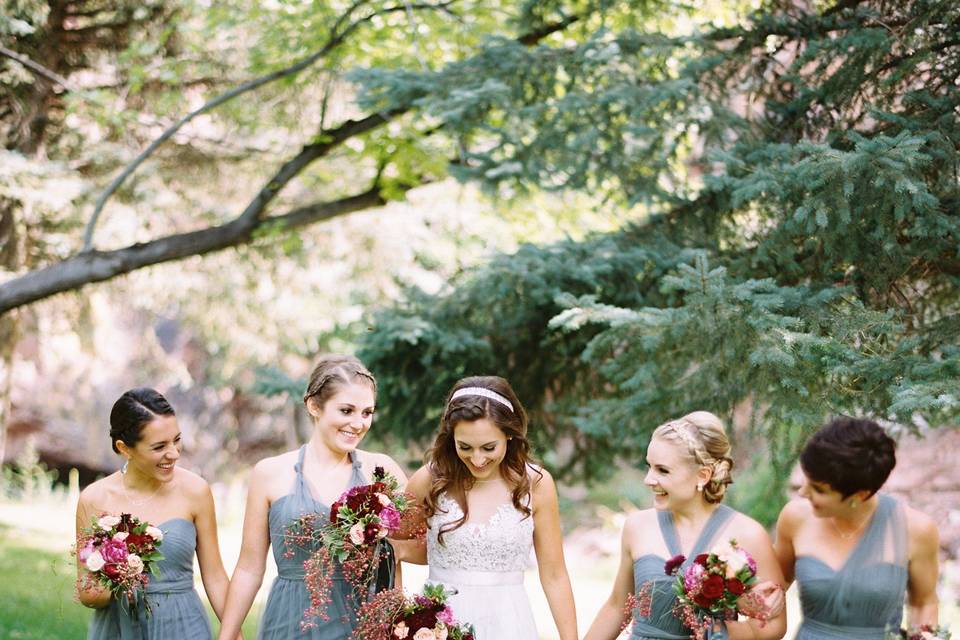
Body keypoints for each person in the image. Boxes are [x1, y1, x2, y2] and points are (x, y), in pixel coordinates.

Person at [217, 354, 407, 640]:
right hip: (291, 622)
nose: (358, 423)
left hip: (362, 623)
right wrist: (227, 634)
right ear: (314, 405)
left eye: (367, 412)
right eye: (346, 410)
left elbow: (415, 547)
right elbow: (249, 567)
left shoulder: (381, 471)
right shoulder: (269, 473)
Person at [585, 411, 787, 640]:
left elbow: (775, 626)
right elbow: (617, 607)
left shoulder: (748, 534)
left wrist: (719, 631)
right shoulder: (637, 527)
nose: (648, 479)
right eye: (649, 466)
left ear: (702, 475)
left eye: (662, 470)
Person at [404, 375, 578, 640]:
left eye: (488, 447)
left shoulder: (536, 484)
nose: (477, 459)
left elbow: (554, 574)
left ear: (509, 434)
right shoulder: (429, 480)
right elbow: (404, 547)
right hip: (440, 623)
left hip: (508, 622)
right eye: (465, 446)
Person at [76, 387, 233, 640]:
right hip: (118, 628)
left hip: (184, 626)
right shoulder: (94, 499)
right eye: (159, 446)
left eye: (177, 440)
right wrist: (117, 570)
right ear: (124, 448)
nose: (173, 453)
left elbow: (215, 576)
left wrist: (233, 632)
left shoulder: (196, 491)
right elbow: (87, 593)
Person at [774, 416, 940, 639]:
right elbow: (777, 583)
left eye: (819, 489)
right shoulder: (795, 517)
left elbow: (923, 603)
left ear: (860, 495)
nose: (803, 492)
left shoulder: (916, 530)